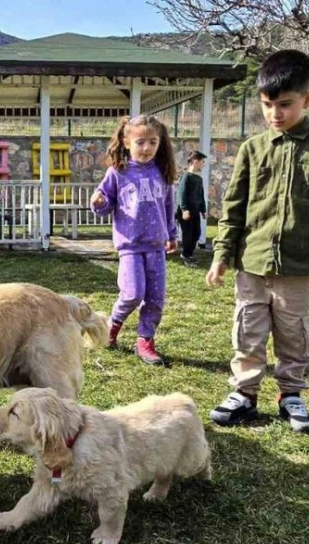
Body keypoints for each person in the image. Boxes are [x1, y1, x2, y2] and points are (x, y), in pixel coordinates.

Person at [205, 50, 309, 434]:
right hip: (253, 263)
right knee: (248, 329)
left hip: (299, 265)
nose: (275, 113)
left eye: (285, 105)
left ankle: (291, 393)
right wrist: (222, 254)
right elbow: (234, 207)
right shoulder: (252, 149)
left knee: (294, 332)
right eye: (267, 105)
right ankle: (244, 394)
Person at [90, 114, 178, 366]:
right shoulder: (118, 172)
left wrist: (172, 234)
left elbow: (168, 206)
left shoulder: (162, 171)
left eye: (152, 142)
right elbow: (106, 203)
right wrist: (98, 202)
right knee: (132, 293)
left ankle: (145, 340)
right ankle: (111, 327)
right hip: (129, 245)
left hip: (156, 246)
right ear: (127, 142)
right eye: (140, 142)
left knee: (155, 297)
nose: (147, 148)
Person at [176, 150, 207, 266]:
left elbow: (201, 195)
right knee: (188, 234)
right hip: (186, 212)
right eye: (202, 162)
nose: (203, 164)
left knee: (197, 233)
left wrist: (203, 210)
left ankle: (190, 253)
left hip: (195, 211)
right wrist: (184, 209)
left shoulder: (199, 179)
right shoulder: (186, 177)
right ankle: (185, 255)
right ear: (195, 162)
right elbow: (181, 194)